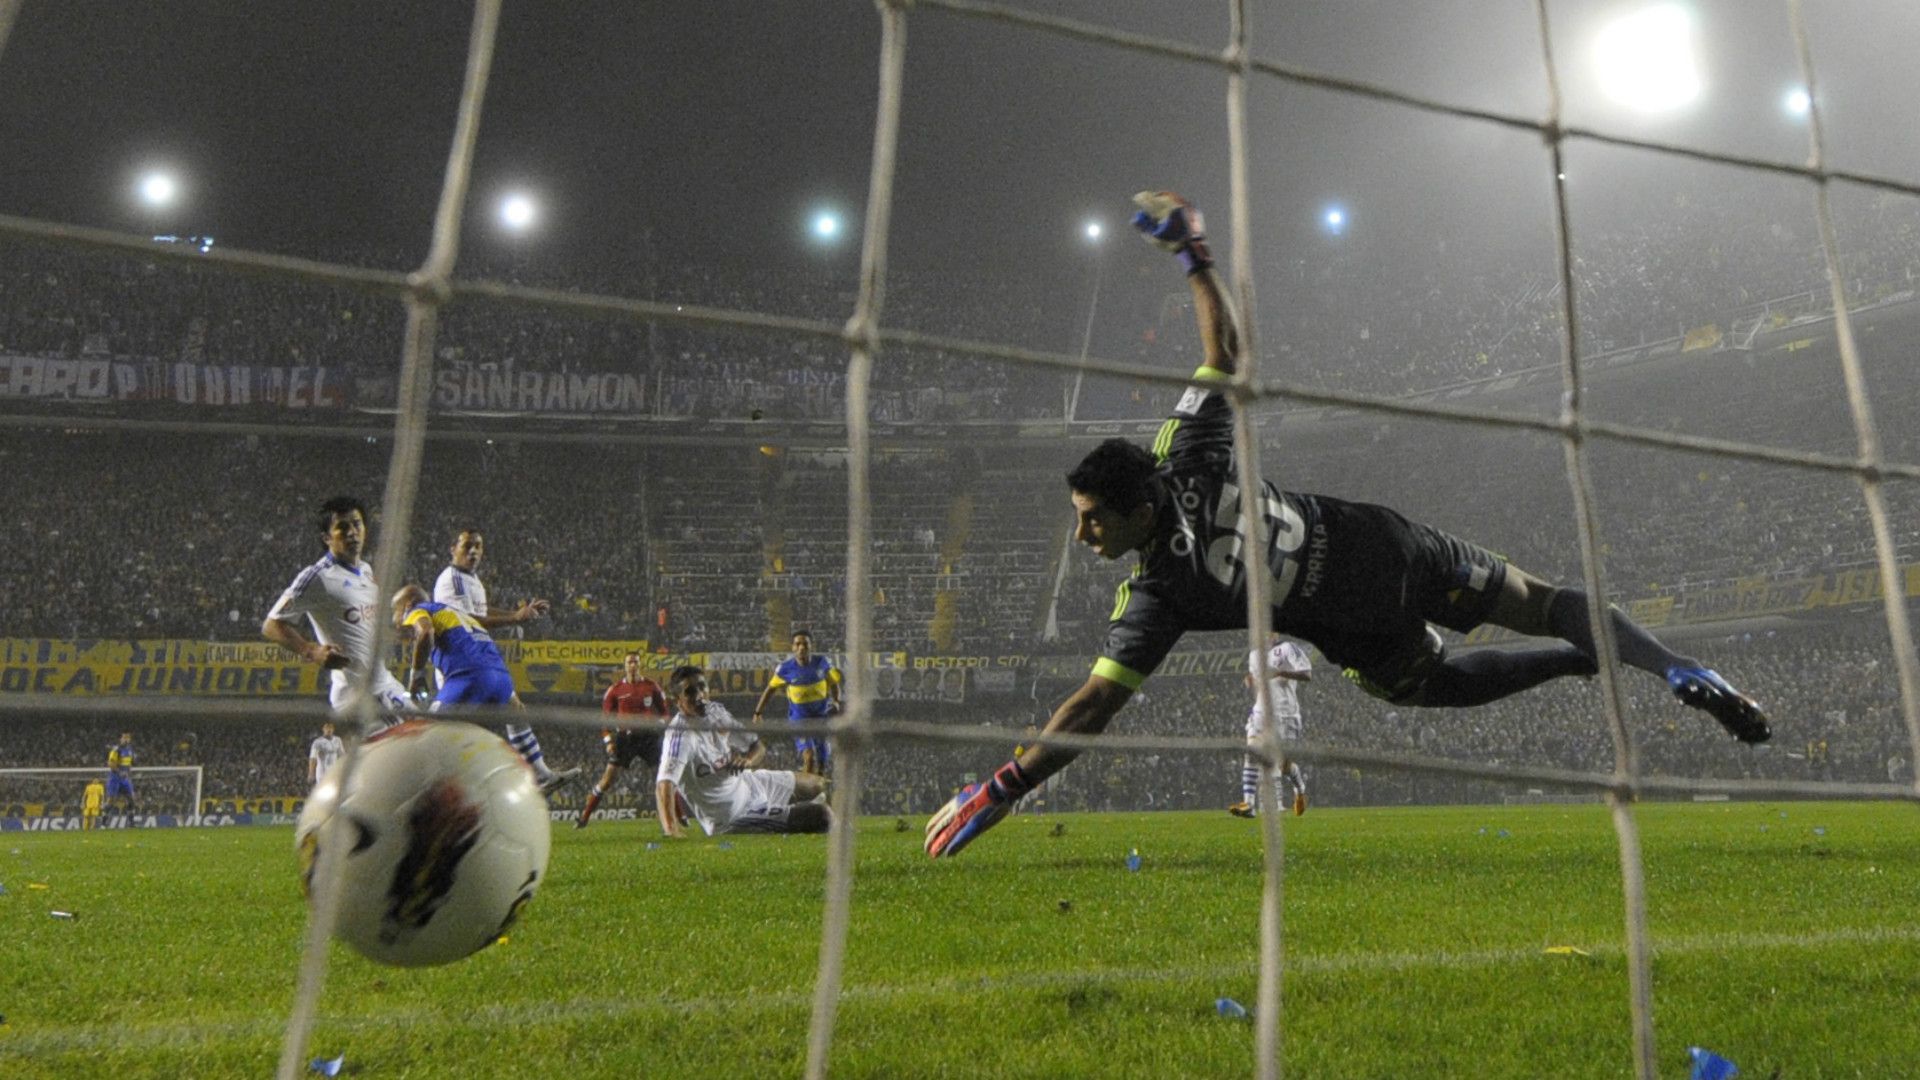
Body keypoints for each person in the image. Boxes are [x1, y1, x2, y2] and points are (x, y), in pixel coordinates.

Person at [926, 190, 1771, 858]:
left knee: (1433, 685)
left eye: (1089, 521)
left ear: (1138, 510)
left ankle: (1572, 664)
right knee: (1545, 596)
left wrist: (1002, 787)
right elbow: (1229, 353)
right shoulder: (1186, 451)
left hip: (1356, 625)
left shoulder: (1159, 595)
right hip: (1383, 540)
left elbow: (1090, 709)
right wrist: (1193, 252)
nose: (1083, 538)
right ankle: (1666, 663)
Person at [389, 583, 576, 796]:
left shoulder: (418, 610)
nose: (394, 619)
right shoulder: (455, 613)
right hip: (500, 677)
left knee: (422, 731)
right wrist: (514, 617)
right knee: (515, 712)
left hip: (469, 678)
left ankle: (409, 794)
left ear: (407, 605)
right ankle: (541, 773)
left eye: (394, 611)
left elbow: (426, 632)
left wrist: (417, 675)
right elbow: (481, 622)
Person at [430, 527, 571, 791]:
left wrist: (517, 613)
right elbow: (467, 620)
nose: (473, 552)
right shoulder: (453, 579)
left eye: (478, 546)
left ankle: (539, 774)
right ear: (453, 549)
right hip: (460, 666)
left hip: (479, 661)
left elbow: (479, 610)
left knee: (514, 709)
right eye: (467, 546)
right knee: (452, 734)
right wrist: (513, 618)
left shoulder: (471, 580)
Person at [262, 496, 412, 726]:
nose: (352, 532)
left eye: (356, 524)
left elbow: (360, 627)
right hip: (357, 696)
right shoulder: (317, 576)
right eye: (342, 527)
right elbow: (271, 625)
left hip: (386, 685)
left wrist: (395, 633)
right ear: (326, 538)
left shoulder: (366, 570)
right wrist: (311, 651)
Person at [658, 665, 830, 837]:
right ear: (678, 701)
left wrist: (748, 761)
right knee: (822, 815)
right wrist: (671, 829)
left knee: (817, 784)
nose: (699, 695)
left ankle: (787, 815)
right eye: (689, 692)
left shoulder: (716, 712)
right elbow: (664, 783)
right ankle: (785, 817)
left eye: (702, 687)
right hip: (734, 817)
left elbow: (757, 747)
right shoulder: (680, 736)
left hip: (748, 784)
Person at [575, 652, 671, 828]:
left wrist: (656, 723)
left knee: (666, 776)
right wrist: (608, 742)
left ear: (640, 665)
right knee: (607, 779)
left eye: (635, 662)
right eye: (629, 663)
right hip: (624, 740)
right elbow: (605, 720)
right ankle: (584, 817)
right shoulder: (615, 690)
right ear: (624, 666)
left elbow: (665, 714)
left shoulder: (652, 687)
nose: (632, 665)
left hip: (649, 737)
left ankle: (680, 817)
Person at [1229, 633, 1311, 819]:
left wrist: (1280, 672)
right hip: (1261, 712)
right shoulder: (1254, 655)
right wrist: (1252, 680)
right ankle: (1249, 804)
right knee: (1251, 752)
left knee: (1283, 765)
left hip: (1286, 714)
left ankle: (1300, 790)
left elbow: (1307, 674)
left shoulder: (1288, 649)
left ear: (1275, 634)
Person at [751, 630, 842, 776]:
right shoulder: (785, 669)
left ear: (811, 646)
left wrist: (837, 701)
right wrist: (758, 712)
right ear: (792, 647)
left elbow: (834, 684)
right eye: (797, 644)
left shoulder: (822, 662)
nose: (801, 647)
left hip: (821, 717)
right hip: (799, 720)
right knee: (809, 757)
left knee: (823, 763)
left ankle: (818, 789)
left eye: (805, 644)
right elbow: (770, 689)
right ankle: (807, 792)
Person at [104, 731, 136, 817]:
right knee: (111, 799)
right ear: (120, 739)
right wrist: (119, 772)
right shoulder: (116, 749)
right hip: (115, 778)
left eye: (128, 737)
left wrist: (129, 771)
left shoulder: (130, 750)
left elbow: (130, 763)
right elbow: (110, 764)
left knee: (131, 798)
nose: (126, 739)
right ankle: (103, 822)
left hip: (125, 778)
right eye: (124, 737)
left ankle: (131, 823)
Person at [308, 721, 344, 788]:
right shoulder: (317, 742)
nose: (329, 729)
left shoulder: (338, 740)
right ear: (323, 729)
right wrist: (311, 773)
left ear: (333, 729)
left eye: (330, 727)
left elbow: (342, 756)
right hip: (322, 772)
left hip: (334, 772)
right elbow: (313, 758)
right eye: (327, 727)